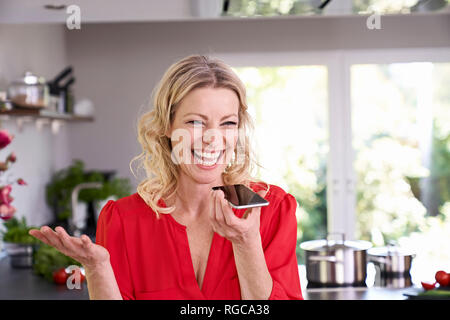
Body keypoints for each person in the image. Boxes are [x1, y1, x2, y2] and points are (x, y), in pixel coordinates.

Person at [29, 55, 303, 300]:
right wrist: (97, 268)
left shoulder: (272, 210)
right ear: (167, 127)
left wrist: (246, 243)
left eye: (228, 123)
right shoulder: (124, 221)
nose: (212, 138)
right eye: (195, 122)